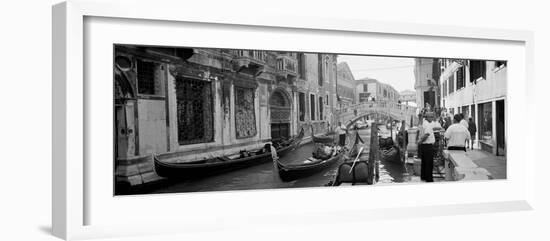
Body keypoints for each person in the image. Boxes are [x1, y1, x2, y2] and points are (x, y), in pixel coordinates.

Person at [418, 111, 436, 182]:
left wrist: (420, 142)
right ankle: (429, 179)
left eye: (432, 116)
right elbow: (426, 135)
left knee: (424, 162)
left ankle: (424, 176)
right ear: (427, 117)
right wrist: (420, 141)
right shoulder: (427, 125)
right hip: (428, 146)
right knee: (429, 163)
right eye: (431, 116)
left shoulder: (423, 123)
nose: (432, 118)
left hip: (424, 146)